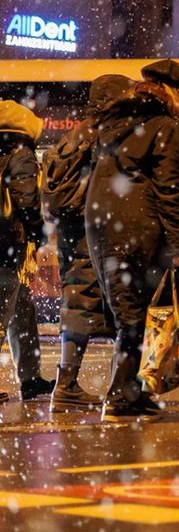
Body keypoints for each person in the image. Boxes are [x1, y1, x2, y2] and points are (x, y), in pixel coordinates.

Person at [86, 59, 179, 416]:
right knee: (138, 314)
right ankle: (120, 395)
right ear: (177, 94)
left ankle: (130, 390)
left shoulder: (115, 122)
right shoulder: (165, 126)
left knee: (128, 311)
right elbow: (169, 190)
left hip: (102, 222)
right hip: (138, 224)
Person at [43, 76, 129, 410]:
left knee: (78, 298)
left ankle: (67, 384)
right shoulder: (108, 135)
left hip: (71, 230)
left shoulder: (73, 134)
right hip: (98, 229)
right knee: (125, 306)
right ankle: (118, 388)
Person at [0, 101, 50, 404]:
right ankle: (29, 379)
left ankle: (30, 378)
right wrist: (36, 230)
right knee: (9, 310)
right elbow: (27, 197)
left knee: (22, 311)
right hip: (7, 243)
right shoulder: (21, 154)